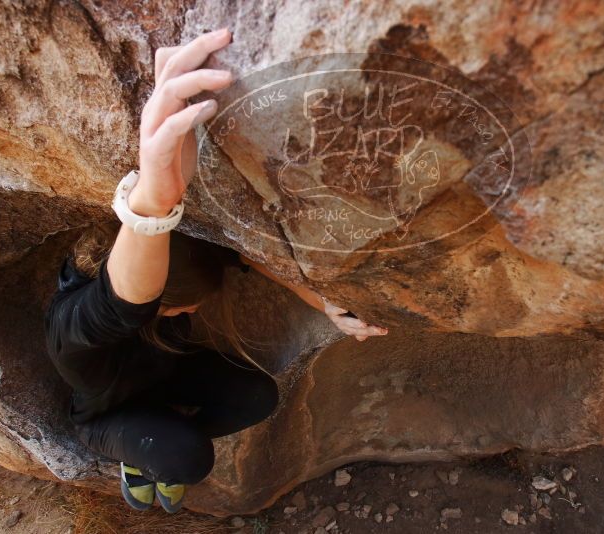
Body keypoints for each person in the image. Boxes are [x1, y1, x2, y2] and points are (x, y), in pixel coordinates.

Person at [44, 27, 387, 513]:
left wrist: (327, 304)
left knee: (257, 396)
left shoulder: (177, 264)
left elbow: (243, 255)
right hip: (108, 413)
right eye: (188, 304)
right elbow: (120, 305)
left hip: (165, 376)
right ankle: (147, 453)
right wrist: (152, 198)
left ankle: (167, 429)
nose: (199, 308)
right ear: (158, 305)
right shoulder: (71, 332)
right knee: (185, 456)